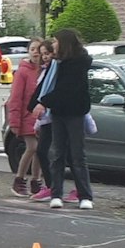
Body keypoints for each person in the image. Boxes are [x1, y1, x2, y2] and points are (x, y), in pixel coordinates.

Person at [38, 28, 95, 210]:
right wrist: (39, 102)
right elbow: (45, 85)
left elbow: (66, 89)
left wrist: (43, 102)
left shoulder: (78, 63)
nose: (53, 44)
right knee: (57, 154)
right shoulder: (57, 63)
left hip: (75, 112)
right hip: (58, 112)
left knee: (77, 155)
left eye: (55, 41)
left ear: (64, 43)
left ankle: (85, 195)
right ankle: (56, 194)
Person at [6, 40, 48, 196]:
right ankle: (19, 180)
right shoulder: (22, 72)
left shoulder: (45, 70)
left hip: (40, 118)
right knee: (32, 147)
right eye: (32, 49)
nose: (36, 52)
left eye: (39, 49)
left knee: (40, 150)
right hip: (26, 117)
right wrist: (14, 121)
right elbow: (15, 98)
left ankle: (36, 181)